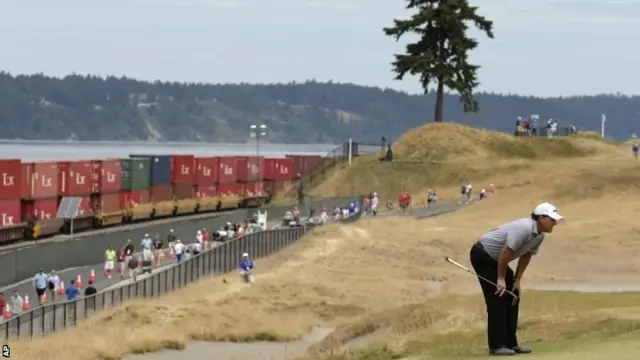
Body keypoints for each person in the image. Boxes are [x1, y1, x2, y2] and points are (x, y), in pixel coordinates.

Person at [470, 202, 564, 356]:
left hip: (497, 259)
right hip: (483, 255)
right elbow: (505, 252)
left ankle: (510, 343)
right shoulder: (524, 228)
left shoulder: (539, 236)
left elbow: (526, 255)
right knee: (498, 296)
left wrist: (517, 281)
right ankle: (497, 345)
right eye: (552, 219)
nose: (555, 223)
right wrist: (501, 279)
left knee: (513, 294)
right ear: (541, 218)